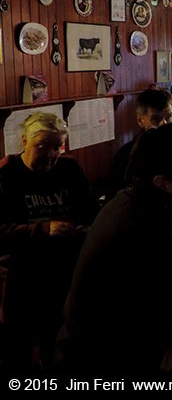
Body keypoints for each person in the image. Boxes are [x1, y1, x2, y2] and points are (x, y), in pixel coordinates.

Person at [57, 122, 172, 377]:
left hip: (86, 350)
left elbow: (160, 299)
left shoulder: (128, 198)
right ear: (162, 183)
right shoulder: (160, 234)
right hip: (103, 368)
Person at [0, 112, 97, 372]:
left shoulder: (70, 169)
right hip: (24, 277)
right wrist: (43, 230)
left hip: (66, 272)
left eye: (57, 146)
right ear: (24, 141)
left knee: (62, 347)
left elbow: (89, 213)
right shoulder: (7, 174)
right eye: (43, 146)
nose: (52, 154)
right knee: (17, 349)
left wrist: (87, 229)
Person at [105, 88, 172, 200]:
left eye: (168, 117)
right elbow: (115, 199)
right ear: (140, 121)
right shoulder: (125, 155)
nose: (163, 124)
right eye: (156, 119)